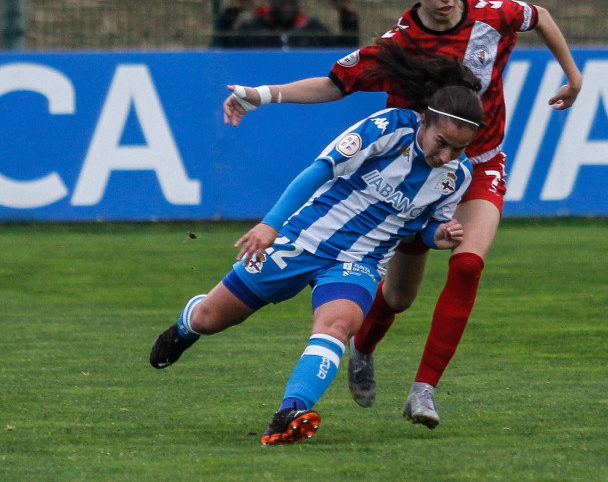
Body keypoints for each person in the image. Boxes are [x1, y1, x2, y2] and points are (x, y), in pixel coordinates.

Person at [221, 0, 582, 428]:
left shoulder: (492, 17)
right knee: (399, 297)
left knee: (468, 264)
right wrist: (260, 94)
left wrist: (573, 75)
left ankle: (424, 391)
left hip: (481, 164)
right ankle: (364, 347)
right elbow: (334, 84)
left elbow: (538, 15)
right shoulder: (399, 45)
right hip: (416, 179)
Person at [150, 55, 484, 446]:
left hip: (359, 263)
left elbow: (422, 226)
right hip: (301, 241)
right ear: (425, 121)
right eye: (441, 143)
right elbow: (320, 170)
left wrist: (436, 236)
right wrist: (270, 224)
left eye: (458, 149)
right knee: (211, 318)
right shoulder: (388, 128)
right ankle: (186, 326)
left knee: (336, 327)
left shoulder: (456, 177)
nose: (445, 156)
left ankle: (290, 412)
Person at [215, 0, 359, 49]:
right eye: (283, 2)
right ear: (272, 1)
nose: (288, 7)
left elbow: (345, 50)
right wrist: (233, 11)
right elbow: (223, 44)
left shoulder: (312, 30)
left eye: (292, 3)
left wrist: (346, 14)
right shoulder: (253, 29)